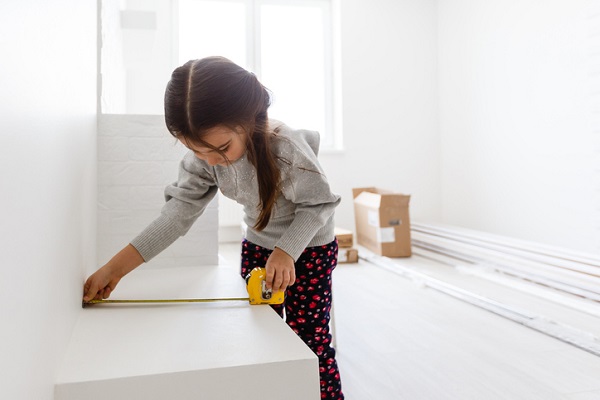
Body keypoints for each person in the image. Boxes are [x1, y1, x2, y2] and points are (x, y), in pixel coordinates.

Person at [83, 56, 344, 399]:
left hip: (308, 250)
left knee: (309, 340)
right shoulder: (204, 159)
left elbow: (319, 203)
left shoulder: (286, 147)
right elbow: (176, 215)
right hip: (258, 246)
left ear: (248, 121)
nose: (210, 160)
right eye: (197, 150)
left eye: (221, 148)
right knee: (260, 333)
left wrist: (286, 252)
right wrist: (114, 269)